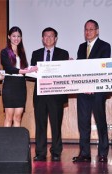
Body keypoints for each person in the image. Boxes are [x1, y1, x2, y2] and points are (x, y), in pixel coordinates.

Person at [72, 19, 111, 163]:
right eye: (86, 29)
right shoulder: (81, 47)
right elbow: (81, 68)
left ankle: (102, 153)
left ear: (97, 31)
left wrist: (92, 85)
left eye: (91, 29)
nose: (88, 32)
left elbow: (102, 67)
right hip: (82, 91)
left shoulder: (105, 46)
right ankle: (84, 153)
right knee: (83, 123)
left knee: (101, 122)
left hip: (97, 91)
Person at [31, 27, 69, 161]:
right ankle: (40, 152)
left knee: (56, 125)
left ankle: (56, 151)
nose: (48, 38)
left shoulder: (63, 54)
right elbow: (32, 74)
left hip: (56, 96)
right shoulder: (35, 54)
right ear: (42, 39)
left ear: (56, 39)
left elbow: (65, 74)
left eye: (51, 36)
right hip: (40, 96)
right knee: (40, 125)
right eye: (45, 36)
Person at [1, 26, 37, 127]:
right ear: (9, 37)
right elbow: (8, 68)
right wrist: (23, 71)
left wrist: (32, 70)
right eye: (14, 36)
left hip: (21, 86)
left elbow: (25, 68)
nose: (16, 38)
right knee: (9, 117)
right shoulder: (4, 52)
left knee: (18, 117)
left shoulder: (22, 52)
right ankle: (7, 142)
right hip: (9, 85)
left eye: (18, 36)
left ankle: (16, 142)